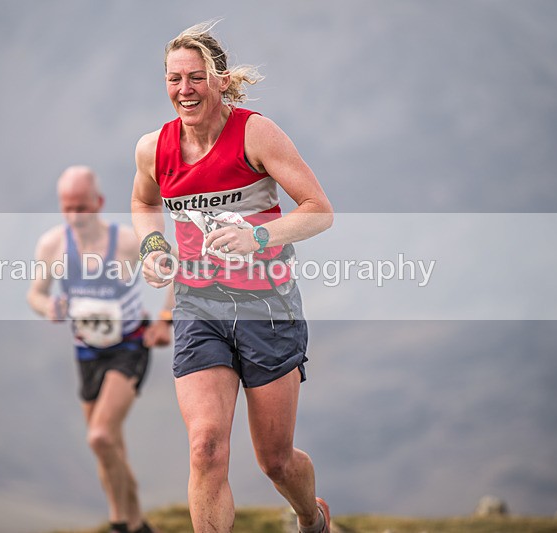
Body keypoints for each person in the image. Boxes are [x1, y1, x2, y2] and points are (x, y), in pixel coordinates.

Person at [131, 21, 334, 533]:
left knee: (276, 461)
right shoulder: (154, 148)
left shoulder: (254, 132)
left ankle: (311, 518)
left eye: (196, 77)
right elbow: (143, 200)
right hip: (200, 307)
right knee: (205, 446)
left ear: (219, 80)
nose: (185, 90)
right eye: (174, 79)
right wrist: (154, 244)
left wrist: (260, 237)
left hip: (267, 309)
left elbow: (318, 210)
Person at [28, 165, 173, 533]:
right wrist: (50, 308)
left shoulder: (124, 242)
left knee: (100, 436)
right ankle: (135, 523)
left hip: (128, 346)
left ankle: (120, 523)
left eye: (82, 207)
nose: (75, 216)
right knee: (108, 448)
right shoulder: (53, 245)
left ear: (100, 202)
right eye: (68, 207)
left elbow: (178, 270)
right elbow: (36, 293)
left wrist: (164, 320)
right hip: (87, 352)